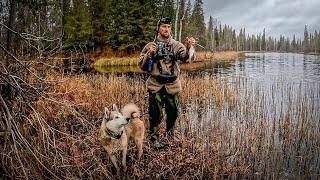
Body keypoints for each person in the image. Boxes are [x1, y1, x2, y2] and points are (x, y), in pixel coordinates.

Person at [139, 17, 195, 149]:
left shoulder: (176, 45)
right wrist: (149, 53)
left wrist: (188, 47)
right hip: (156, 85)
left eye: (169, 27)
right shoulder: (150, 45)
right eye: (164, 26)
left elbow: (186, 58)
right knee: (155, 114)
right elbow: (142, 65)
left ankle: (170, 135)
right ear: (159, 28)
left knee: (173, 113)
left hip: (172, 86)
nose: (166, 29)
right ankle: (154, 139)